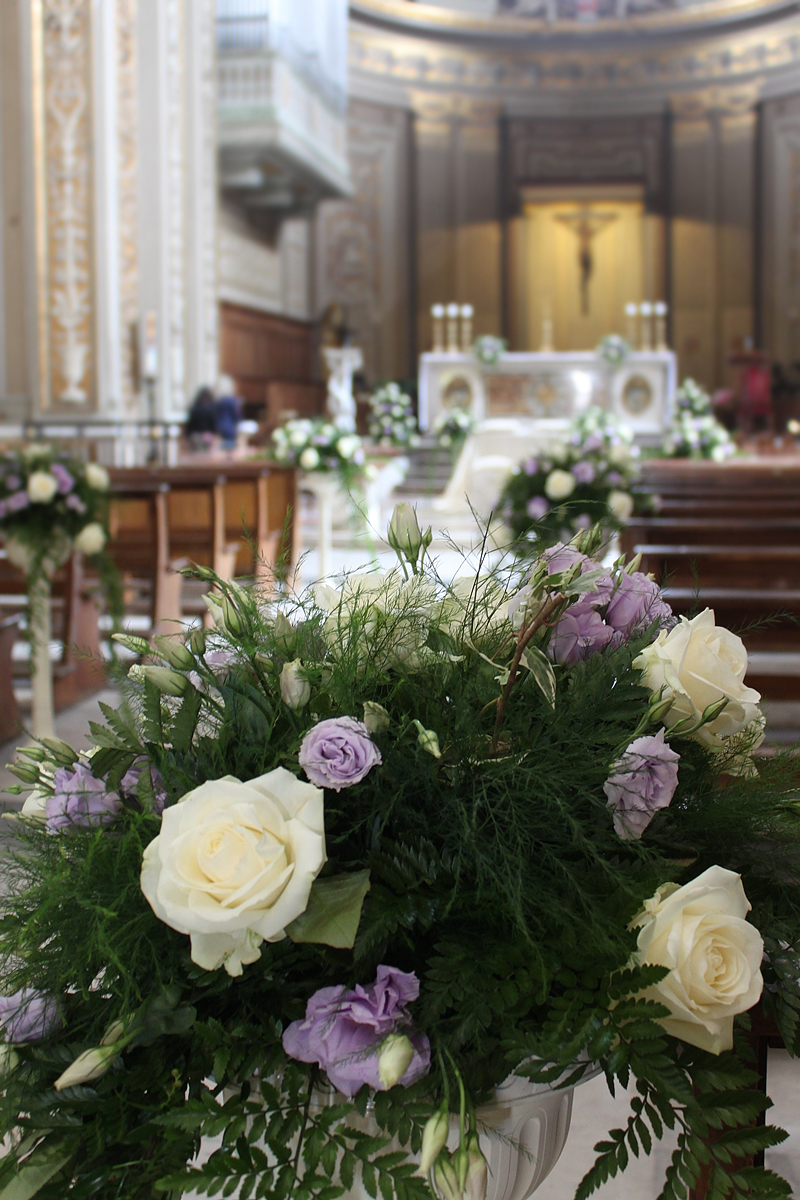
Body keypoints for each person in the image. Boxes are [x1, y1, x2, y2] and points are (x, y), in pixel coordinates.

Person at [214, 375, 242, 450]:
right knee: (230, 450)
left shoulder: (217, 401)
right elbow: (237, 416)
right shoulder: (232, 401)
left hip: (219, 429)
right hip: (230, 430)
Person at [185, 386, 217, 450]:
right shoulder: (211, 408)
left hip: (196, 435)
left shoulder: (195, 408)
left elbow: (190, 424)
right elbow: (214, 423)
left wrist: (188, 434)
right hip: (208, 435)